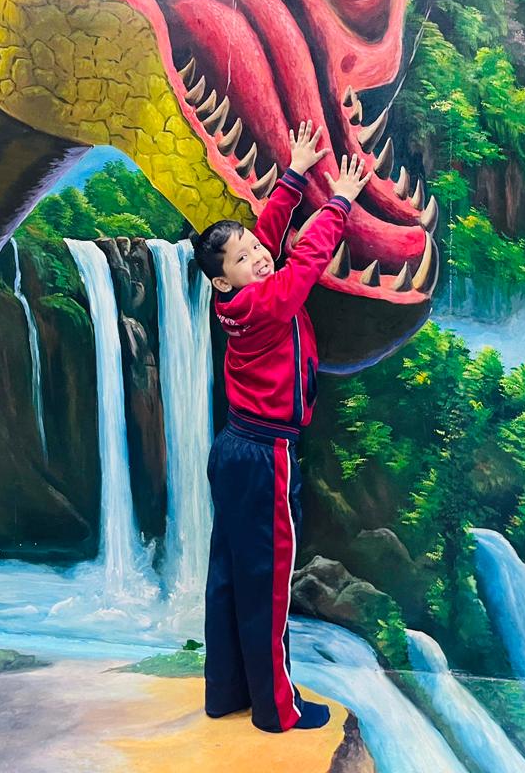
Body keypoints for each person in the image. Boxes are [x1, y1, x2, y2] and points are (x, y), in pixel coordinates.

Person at [192, 121, 371, 733]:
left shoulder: (237, 293)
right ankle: (276, 709)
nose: (258, 255)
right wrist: (338, 202)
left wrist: (294, 175)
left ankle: (226, 693)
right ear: (223, 281)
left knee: (229, 573)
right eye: (243, 258)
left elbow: (268, 239)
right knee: (268, 583)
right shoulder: (268, 300)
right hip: (264, 455)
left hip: (234, 448)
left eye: (251, 247)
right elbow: (305, 261)